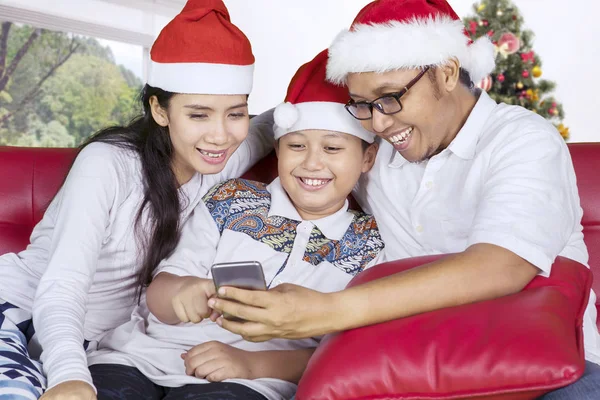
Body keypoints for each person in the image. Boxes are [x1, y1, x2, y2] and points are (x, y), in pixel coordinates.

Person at [207, 0, 600, 397]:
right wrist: (207, 152)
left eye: (390, 97)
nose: (378, 122)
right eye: (363, 105)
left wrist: (324, 312)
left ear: (447, 71)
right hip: (413, 363)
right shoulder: (374, 152)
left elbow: (500, 267)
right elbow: (296, 123)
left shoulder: (522, 139)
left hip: (551, 367)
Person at [0, 1, 271, 399]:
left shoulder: (219, 159)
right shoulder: (108, 164)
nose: (221, 135)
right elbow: (63, 285)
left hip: (97, 343)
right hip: (19, 314)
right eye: (198, 115)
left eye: (235, 113)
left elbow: (278, 123)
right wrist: (68, 376)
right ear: (159, 110)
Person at [86, 49, 383, 400]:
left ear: (367, 158)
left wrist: (250, 365)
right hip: (143, 356)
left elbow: (349, 351)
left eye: (333, 148)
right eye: (297, 145)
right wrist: (182, 292)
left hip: (249, 381)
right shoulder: (232, 200)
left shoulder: (370, 244)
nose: (312, 163)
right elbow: (160, 289)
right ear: (277, 149)